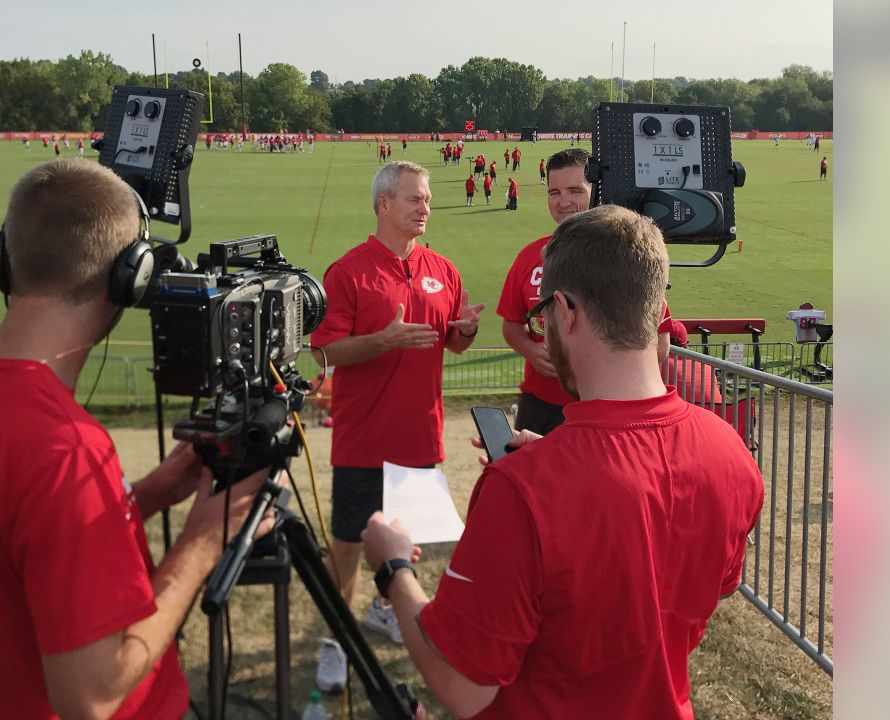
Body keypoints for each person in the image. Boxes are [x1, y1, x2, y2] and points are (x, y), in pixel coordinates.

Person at [361, 204, 765, 720]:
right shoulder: (730, 451)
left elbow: (463, 687)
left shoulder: (521, 489)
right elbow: (693, 586)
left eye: (543, 315)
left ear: (566, 311)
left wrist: (393, 565)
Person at [0, 160, 281, 720]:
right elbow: (92, 695)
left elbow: (26, 532)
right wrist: (207, 538)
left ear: (5, 256)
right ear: (130, 276)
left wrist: (152, 491)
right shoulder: (64, 448)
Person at [308, 160, 484, 691]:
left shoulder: (443, 268)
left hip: (419, 438)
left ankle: (387, 609)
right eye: (414, 199)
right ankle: (335, 642)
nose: (425, 207)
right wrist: (382, 340)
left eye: (426, 199)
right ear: (384, 204)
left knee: (405, 543)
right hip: (362, 441)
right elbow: (323, 352)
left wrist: (467, 330)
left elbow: (453, 340)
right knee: (347, 547)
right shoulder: (348, 271)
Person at [496, 149, 673, 436]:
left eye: (575, 191)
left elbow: (660, 345)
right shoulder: (529, 256)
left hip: (611, 408)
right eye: (554, 192)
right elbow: (511, 324)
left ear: (597, 192)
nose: (563, 202)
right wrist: (530, 350)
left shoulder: (629, 255)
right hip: (542, 406)